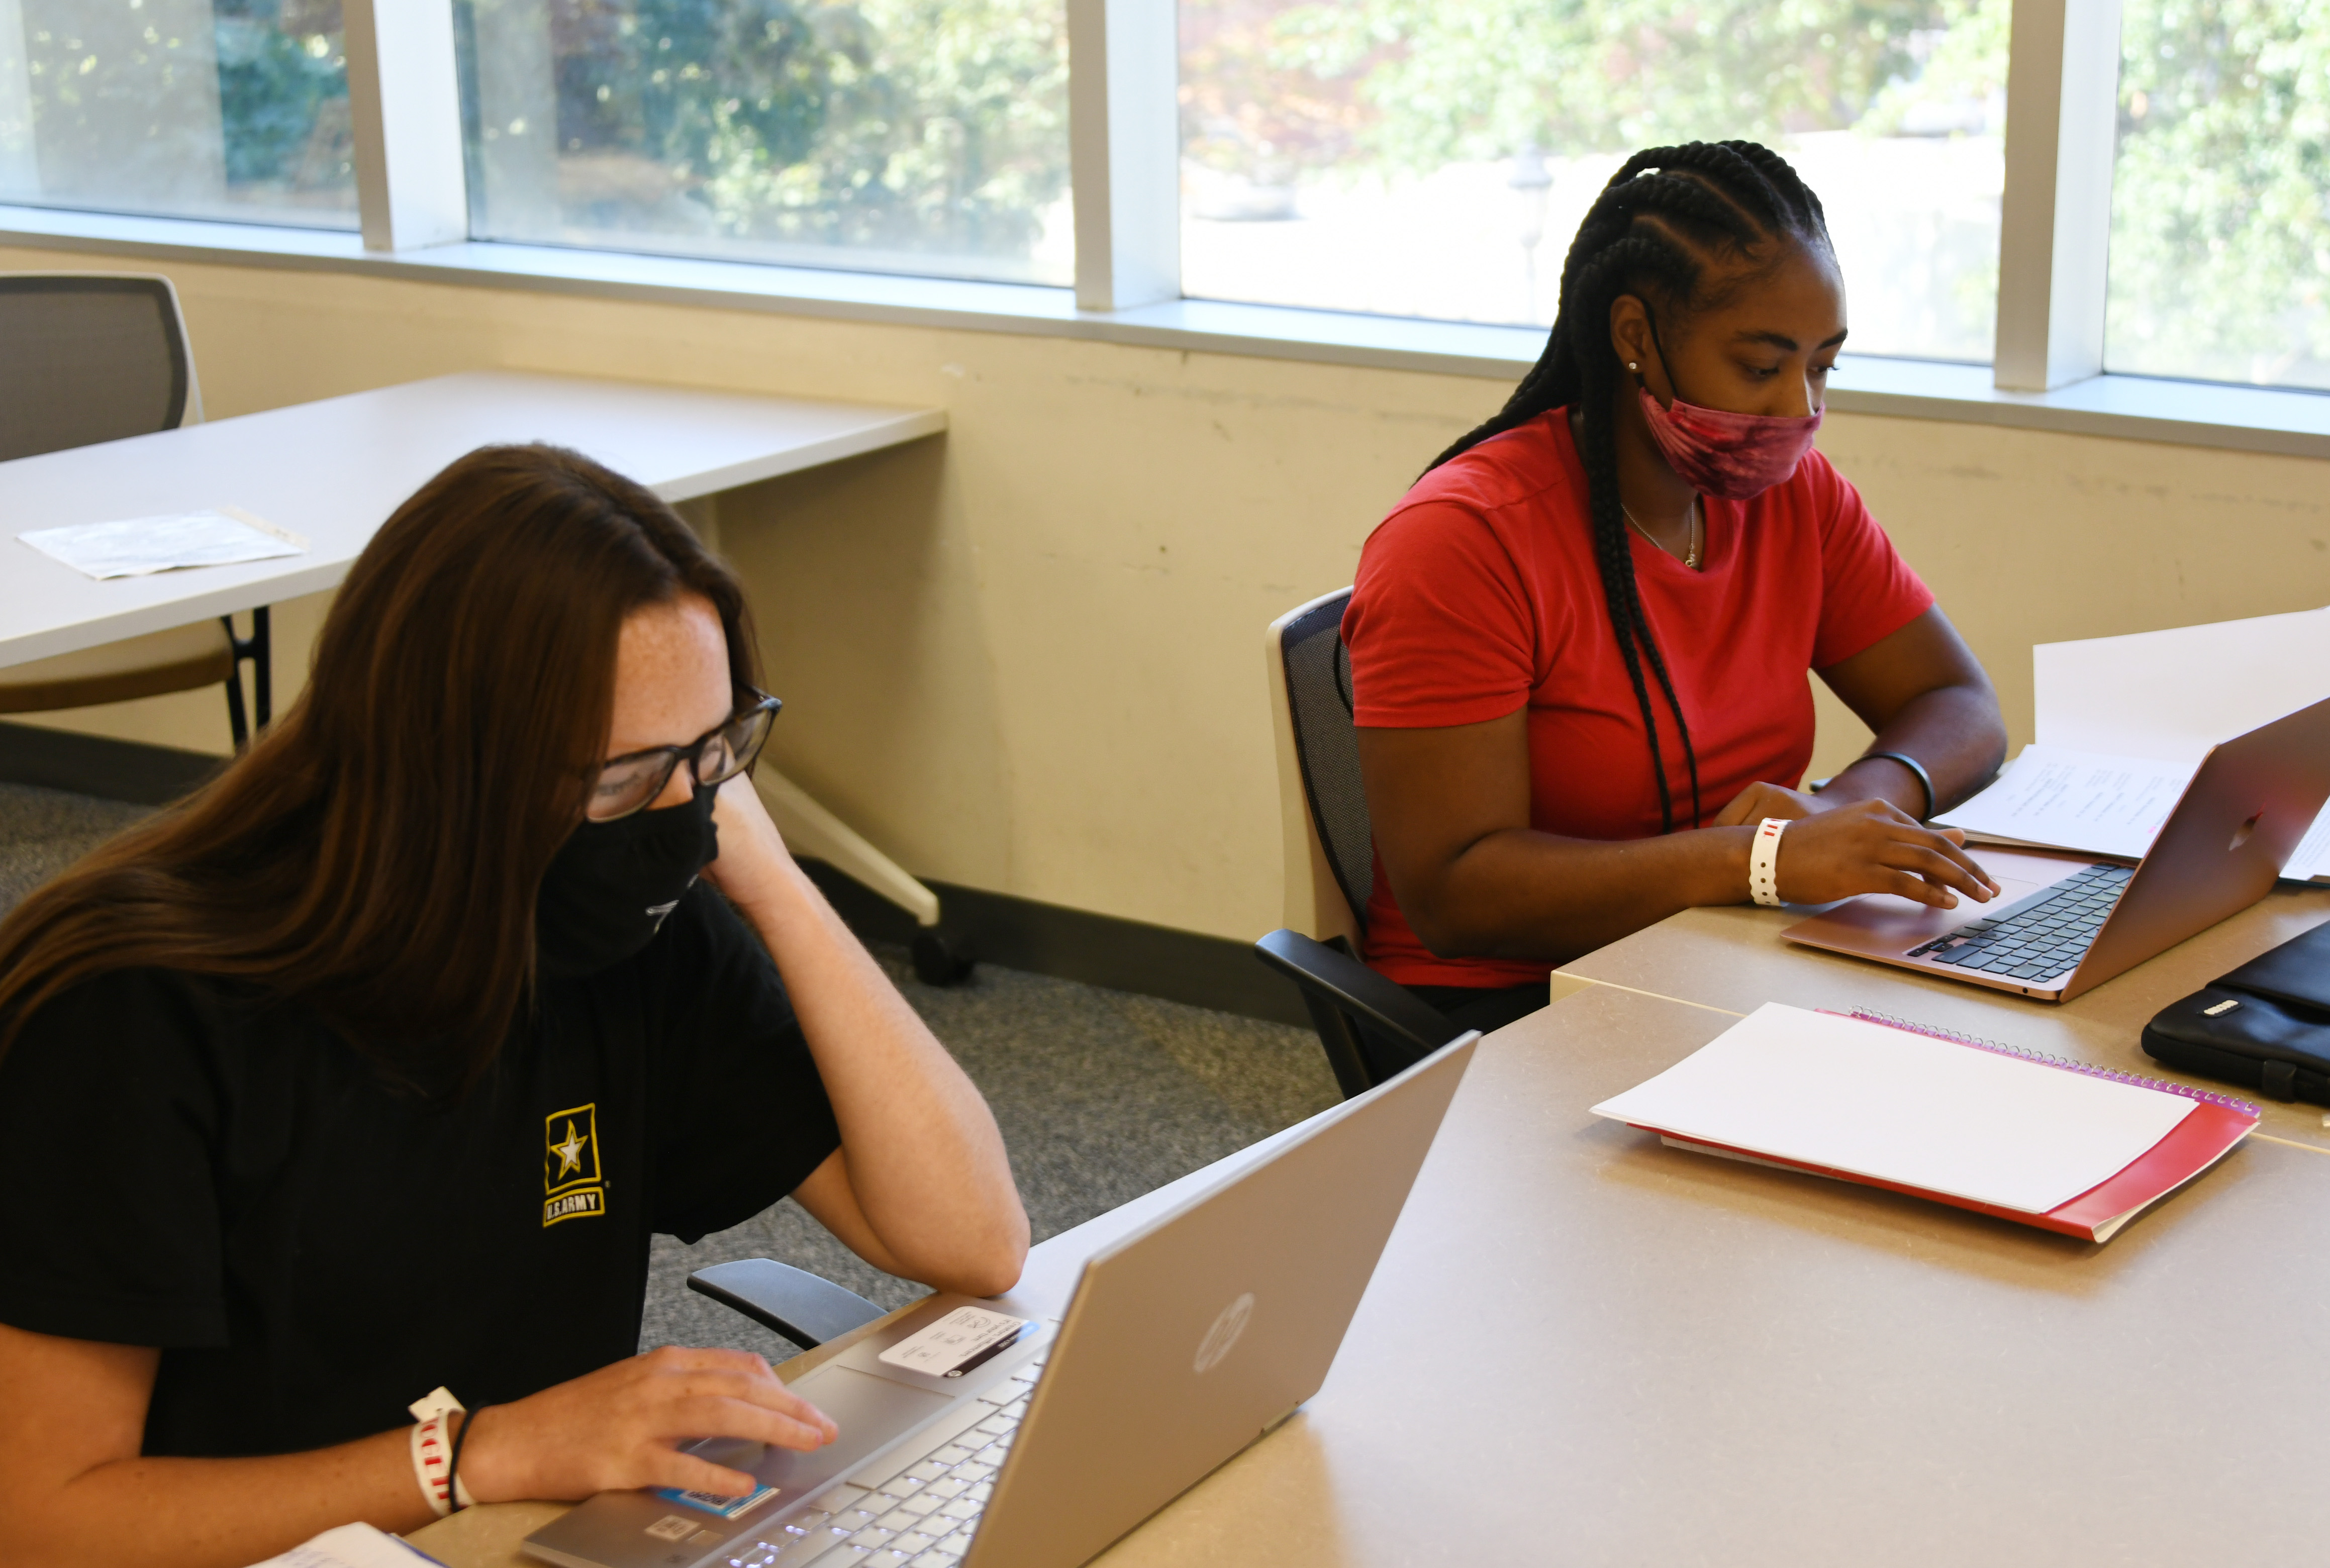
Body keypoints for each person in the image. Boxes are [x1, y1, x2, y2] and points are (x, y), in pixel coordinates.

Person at [0, 445, 1028, 1567]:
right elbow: (44, 1518)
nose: (678, 815)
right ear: (444, 768)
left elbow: (968, 1240)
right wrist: (471, 1456)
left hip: (522, 1541)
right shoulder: (130, 1013)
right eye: (625, 775)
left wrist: (774, 884)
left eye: (713, 751)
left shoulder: (625, 927)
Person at [1344, 140, 2007, 1060]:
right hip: (1517, 1008)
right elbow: (1458, 894)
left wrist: (1848, 807)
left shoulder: (1796, 498)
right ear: (1634, 337)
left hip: (1724, 955)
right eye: (1759, 366)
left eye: (1823, 367)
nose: (1797, 410)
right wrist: (1763, 861)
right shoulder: (1463, 540)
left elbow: (1959, 703)